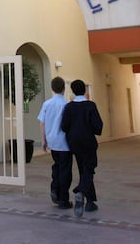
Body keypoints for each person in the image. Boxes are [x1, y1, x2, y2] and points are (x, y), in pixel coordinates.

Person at [60, 79, 103, 217]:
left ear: (72, 91)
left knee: (83, 170)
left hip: (74, 142)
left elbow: (64, 126)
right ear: (84, 90)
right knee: (89, 168)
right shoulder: (90, 106)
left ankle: (90, 202)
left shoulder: (69, 107)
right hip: (88, 142)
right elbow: (98, 126)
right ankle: (81, 191)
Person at [37, 76, 72, 209]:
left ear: (52, 89)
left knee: (57, 166)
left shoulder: (47, 104)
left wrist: (43, 141)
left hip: (52, 142)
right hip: (64, 143)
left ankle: (54, 188)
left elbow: (42, 123)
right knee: (65, 170)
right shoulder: (66, 105)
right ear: (64, 88)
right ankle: (63, 198)